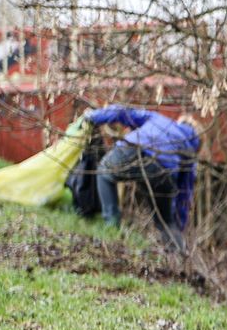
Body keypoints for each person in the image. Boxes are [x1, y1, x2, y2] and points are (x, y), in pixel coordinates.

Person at [84, 106, 201, 251]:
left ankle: (111, 227)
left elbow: (123, 112)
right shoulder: (189, 152)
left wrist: (93, 116)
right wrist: (179, 225)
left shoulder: (159, 119)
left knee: (105, 172)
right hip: (165, 171)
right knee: (165, 222)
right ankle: (179, 256)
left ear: (179, 122)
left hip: (137, 148)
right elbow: (184, 195)